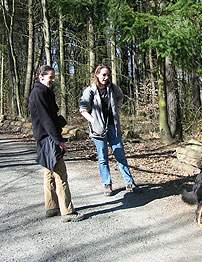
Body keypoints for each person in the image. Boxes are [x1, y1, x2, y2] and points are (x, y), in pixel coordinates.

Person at [28, 65, 85, 222]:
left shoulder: (44, 92)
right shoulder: (39, 93)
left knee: (49, 173)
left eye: (54, 77)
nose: (53, 80)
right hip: (48, 138)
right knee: (61, 175)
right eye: (50, 77)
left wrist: (59, 121)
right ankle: (67, 212)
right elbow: (46, 119)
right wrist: (59, 141)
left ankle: (52, 207)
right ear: (41, 76)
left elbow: (50, 116)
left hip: (44, 137)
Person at [79, 64, 138, 196]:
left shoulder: (113, 88)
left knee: (120, 155)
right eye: (103, 75)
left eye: (108, 75)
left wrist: (116, 108)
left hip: (113, 127)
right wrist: (93, 120)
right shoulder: (90, 91)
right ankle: (107, 184)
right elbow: (83, 109)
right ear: (97, 75)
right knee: (103, 158)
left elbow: (120, 97)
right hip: (98, 130)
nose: (106, 78)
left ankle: (129, 182)